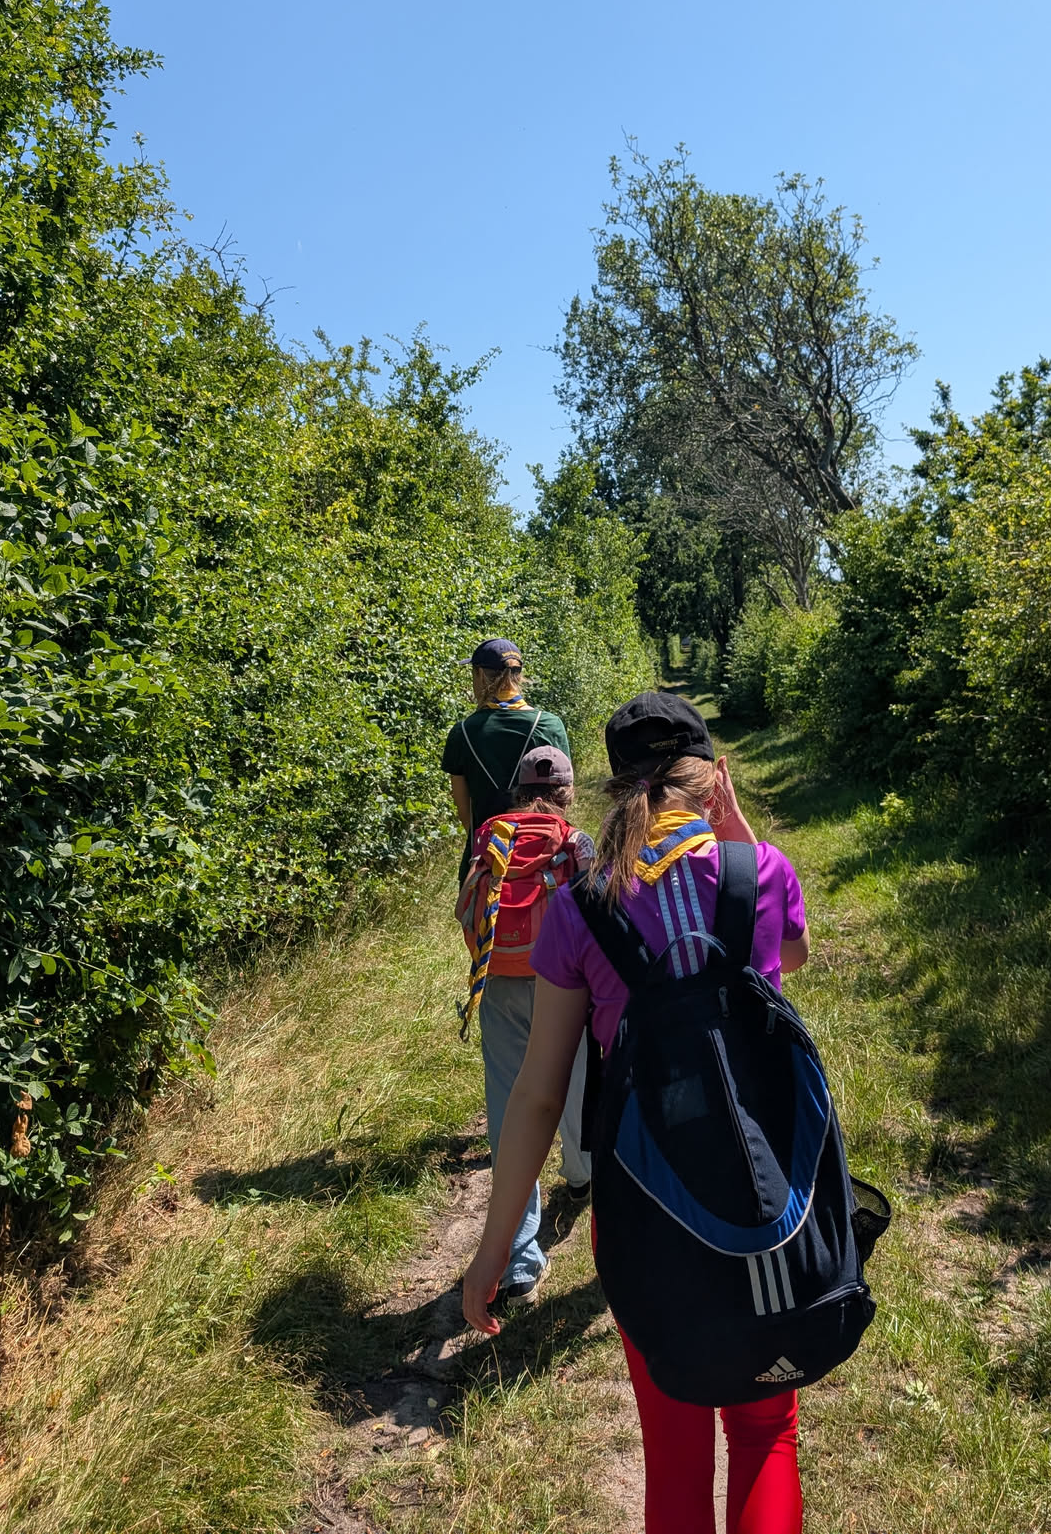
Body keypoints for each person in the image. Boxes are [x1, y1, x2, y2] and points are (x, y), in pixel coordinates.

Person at [461, 692, 812, 1534]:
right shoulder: (760, 872)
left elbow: (539, 1095)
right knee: (765, 1433)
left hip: (645, 1210)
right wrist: (739, 831)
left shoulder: (583, 905)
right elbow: (794, 953)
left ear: (615, 789)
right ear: (713, 778)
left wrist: (493, 1249)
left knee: (675, 1450)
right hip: (765, 1197)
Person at [455, 743, 594, 1303]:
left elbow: (468, 907)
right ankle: (580, 1175)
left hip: (501, 978)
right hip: (566, 982)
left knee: (509, 1105)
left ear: (518, 790)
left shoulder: (491, 836)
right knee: (577, 1084)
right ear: (566, 792)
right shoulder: (574, 840)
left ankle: (519, 1261)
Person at [441, 638, 571, 888]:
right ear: (518, 675)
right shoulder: (549, 725)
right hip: (543, 860)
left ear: (479, 674)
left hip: (483, 862)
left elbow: (464, 811)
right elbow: (563, 797)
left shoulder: (463, 732)